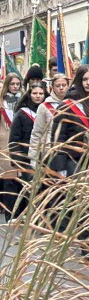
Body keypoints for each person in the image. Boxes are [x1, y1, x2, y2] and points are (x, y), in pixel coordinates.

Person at [50, 64, 89, 175]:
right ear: (79, 81)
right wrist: (61, 169)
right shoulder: (67, 106)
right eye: (85, 79)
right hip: (73, 163)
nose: (88, 83)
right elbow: (58, 140)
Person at [7, 82, 46, 217]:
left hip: (44, 155)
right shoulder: (22, 113)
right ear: (29, 94)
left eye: (41, 93)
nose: (38, 96)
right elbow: (14, 138)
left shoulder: (47, 110)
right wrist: (16, 159)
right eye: (35, 93)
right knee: (29, 188)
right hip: (25, 157)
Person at [29, 73, 69, 168]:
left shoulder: (75, 103)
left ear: (68, 86)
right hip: (50, 153)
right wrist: (33, 159)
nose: (61, 88)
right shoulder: (44, 107)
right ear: (52, 87)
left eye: (64, 85)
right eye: (58, 86)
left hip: (69, 152)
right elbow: (37, 133)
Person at [0, 73, 24, 216]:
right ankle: (9, 210)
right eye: (12, 84)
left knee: (19, 177)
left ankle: (19, 210)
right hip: (4, 140)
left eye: (17, 84)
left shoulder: (23, 100)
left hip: (18, 141)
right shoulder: (1, 102)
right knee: (8, 176)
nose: (15, 87)